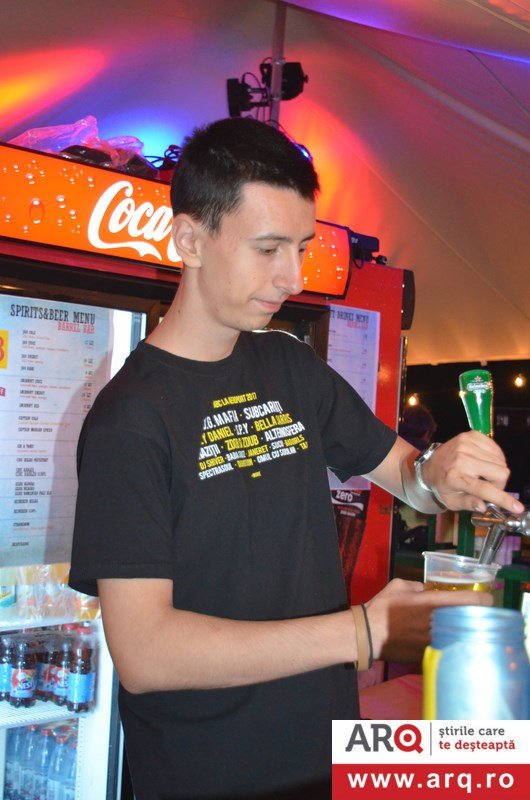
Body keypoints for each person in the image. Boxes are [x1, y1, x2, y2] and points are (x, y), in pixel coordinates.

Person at [69, 117, 524, 800]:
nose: (293, 275)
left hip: (327, 750)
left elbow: (406, 476)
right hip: (211, 774)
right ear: (189, 239)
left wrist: (440, 473)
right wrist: (364, 631)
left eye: (302, 247)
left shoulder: (289, 366)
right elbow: (145, 654)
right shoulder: (129, 420)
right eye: (268, 248)